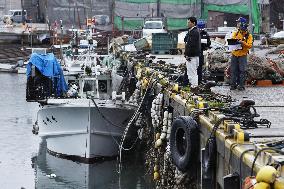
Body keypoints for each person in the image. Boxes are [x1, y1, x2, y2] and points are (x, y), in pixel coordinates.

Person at [230, 17, 253, 91]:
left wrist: (243, 43)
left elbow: (249, 45)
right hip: (234, 54)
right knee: (233, 70)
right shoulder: (235, 33)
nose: (238, 24)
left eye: (239, 22)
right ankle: (233, 85)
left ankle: (241, 86)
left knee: (242, 71)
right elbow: (232, 41)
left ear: (243, 24)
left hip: (242, 55)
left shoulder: (248, 35)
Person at [184, 17, 201, 87]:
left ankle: (194, 87)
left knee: (192, 73)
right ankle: (193, 86)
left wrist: (188, 55)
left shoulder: (194, 32)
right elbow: (186, 41)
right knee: (191, 72)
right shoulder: (191, 31)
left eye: (189, 22)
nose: (187, 24)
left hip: (192, 56)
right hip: (193, 55)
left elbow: (192, 45)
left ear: (193, 23)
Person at [197, 20, 211, 85]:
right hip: (194, 52)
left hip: (201, 52)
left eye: (201, 29)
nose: (200, 30)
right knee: (194, 67)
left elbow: (209, 43)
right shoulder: (195, 32)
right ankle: (193, 81)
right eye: (199, 29)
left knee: (200, 67)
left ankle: (199, 81)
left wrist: (206, 45)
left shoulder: (205, 34)